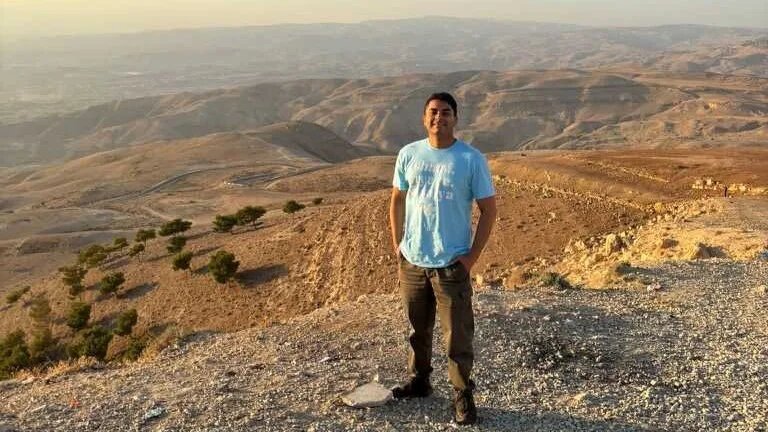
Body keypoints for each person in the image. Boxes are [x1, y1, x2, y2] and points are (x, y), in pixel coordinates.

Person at [388, 92, 497, 425]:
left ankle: (462, 393)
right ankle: (420, 382)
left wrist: (470, 259)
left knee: (457, 336)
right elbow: (396, 200)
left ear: (455, 118)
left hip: (451, 264)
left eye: (446, 112)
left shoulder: (470, 159)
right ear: (424, 118)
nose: (439, 117)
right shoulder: (409, 154)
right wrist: (398, 245)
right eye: (433, 112)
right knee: (416, 329)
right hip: (413, 260)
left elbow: (489, 210)